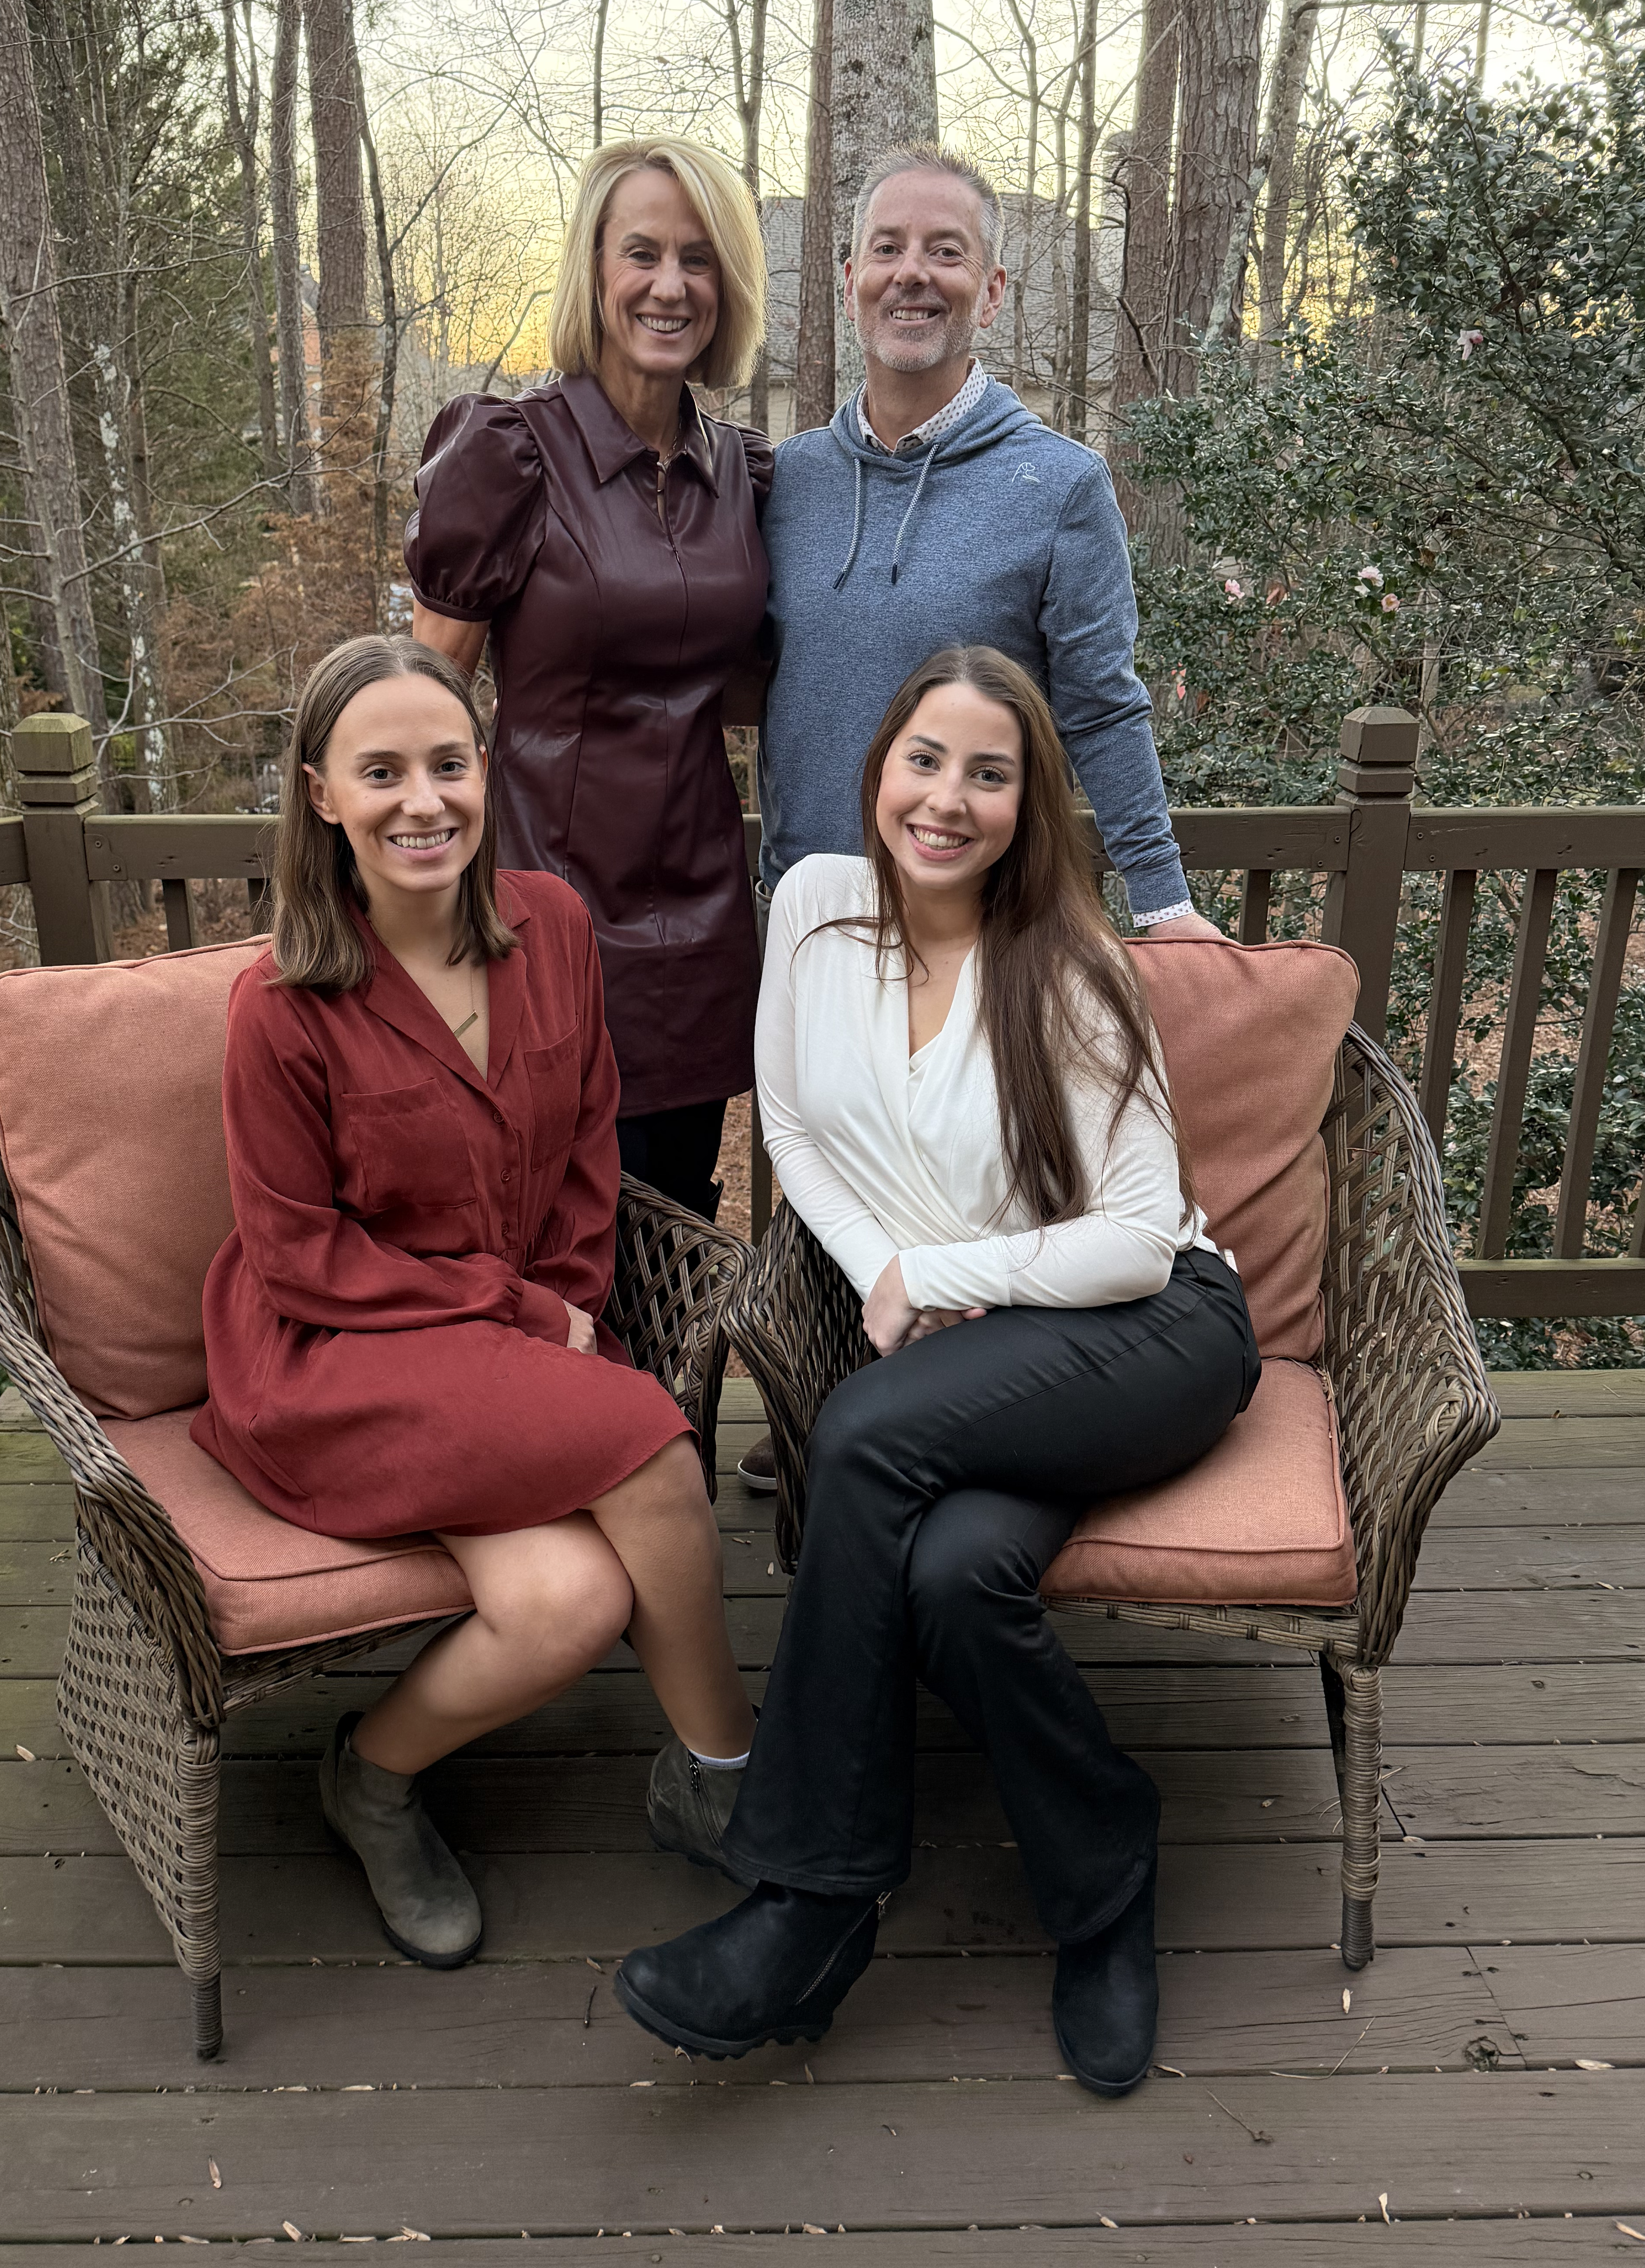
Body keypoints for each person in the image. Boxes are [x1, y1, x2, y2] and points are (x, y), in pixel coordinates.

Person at [613, 646, 1259, 2094]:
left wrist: (940, 1279)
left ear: (1029, 804)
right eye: (925, 759)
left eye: (989, 772)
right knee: (955, 1573)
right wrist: (884, 1283)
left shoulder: (1074, 971)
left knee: (860, 1436)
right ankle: (1106, 1881)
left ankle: (811, 1899)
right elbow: (789, 1121)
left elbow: (1141, 1242)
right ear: (879, 762)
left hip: (1151, 1331)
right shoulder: (813, 908)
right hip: (978, 1349)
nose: (947, 799)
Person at [193, 636, 758, 1969]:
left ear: (484, 772)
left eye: (447, 764)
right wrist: (514, 1311)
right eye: (379, 772)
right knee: (655, 1446)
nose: (421, 801)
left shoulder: (551, 926)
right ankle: (726, 1777)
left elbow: (588, 1143)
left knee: (567, 1603)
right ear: (320, 793)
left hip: (512, 1347)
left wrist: (566, 1294)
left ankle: (366, 1778)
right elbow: (293, 1256)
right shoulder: (279, 1009)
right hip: (338, 1358)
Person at [732, 138, 1220, 1493]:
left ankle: (956, 1413)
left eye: (946, 252)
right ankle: (820, 1412)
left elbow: (1104, 704)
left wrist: (1160, 895)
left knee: (974, 1171)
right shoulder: (790, 482)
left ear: (991, 288)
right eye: (889, 247)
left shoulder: (1055, 483)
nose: (915, 275)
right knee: (819, 1159)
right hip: (815, 905)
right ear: (845, 279)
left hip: (979, 909)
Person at [407, 136, 771, 1223]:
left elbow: (757, 680)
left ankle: (677, 1408)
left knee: (680, 1238)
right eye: (643, 253)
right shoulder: (512, 454)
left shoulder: (746, 475)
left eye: (699, 259)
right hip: (542, 920)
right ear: (595, 268)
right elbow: (424, 705)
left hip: (703, 924)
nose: (671, 286)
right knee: (552, 1237)